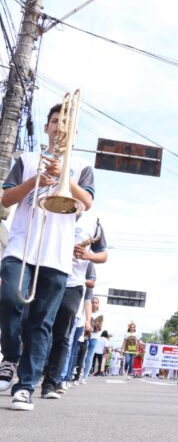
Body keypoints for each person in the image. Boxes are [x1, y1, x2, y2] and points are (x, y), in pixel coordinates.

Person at [0, 102, 95, 411]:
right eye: (55, 121)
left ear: (74, 132)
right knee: (10, 300)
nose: (59, 126)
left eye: (65, 123)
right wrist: (38, 177)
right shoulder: (26, 159)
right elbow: (6, 197)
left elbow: (88, 202)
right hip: (20, 248)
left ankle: (25, 387)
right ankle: (11, 354)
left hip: (56, 256)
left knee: (42, 323)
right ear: (48, 127)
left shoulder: (81, 167)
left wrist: (63, 178)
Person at [44, 220, 106, 397]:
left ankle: (54, 380)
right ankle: (28, 378)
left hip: (73, 288)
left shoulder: (93, 223)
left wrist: (87, 255)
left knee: (64, 338)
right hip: (48, 278)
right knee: (39, 330)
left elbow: (102, 257)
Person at [80, 297, 103, 383]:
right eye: (92, 302)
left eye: (96, 302)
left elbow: (100, 328)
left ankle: (85, 376)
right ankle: (78, 373)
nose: (94, 304)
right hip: (84, 336)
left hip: (94, 337)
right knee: (82, 356)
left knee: (89, 357)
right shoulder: (86, 312)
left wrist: (97, 325)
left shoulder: (100, 314)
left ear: (98, 304)